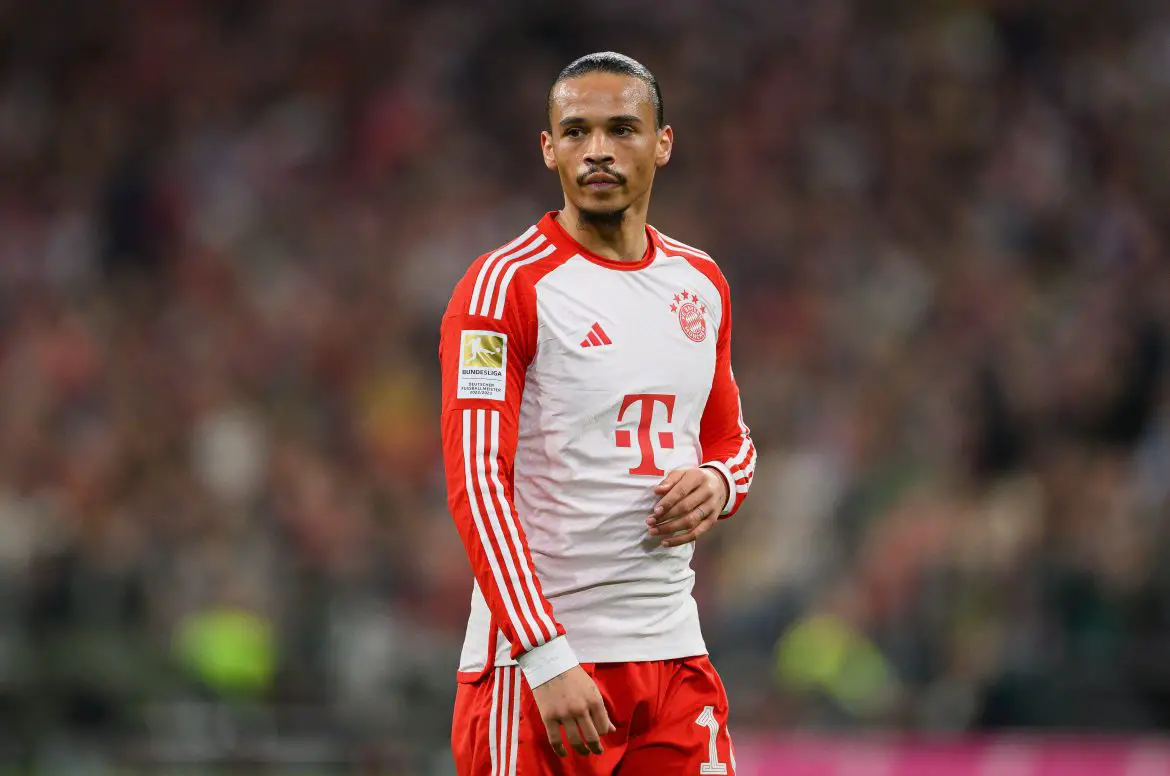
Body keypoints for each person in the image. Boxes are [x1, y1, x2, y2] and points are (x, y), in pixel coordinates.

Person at [439, 51, 756, 775]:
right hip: (544, 668)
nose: (599, 151)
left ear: (663, 143)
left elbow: (732, 442)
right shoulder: (502, 288)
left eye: (622, 129)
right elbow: (477, 482)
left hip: (673, 658)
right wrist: (543, 652)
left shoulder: (700, 283)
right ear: (548, 148)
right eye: (577, 132)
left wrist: (718, 483)